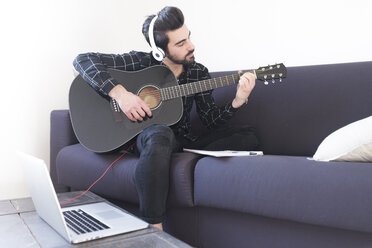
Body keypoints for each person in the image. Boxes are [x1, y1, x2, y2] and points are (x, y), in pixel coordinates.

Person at [73, 6, 259, 231]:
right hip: (146, 137)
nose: (191, 46)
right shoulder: (140, 62)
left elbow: (210, 119)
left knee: (249, 136)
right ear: (160, 50)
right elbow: (82, 60)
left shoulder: (197, 72)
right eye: (180, 44)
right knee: (159, 133)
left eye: (188, 37)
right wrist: (121, 95)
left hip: (181, 141)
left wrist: (238, 100)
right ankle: (154, 229)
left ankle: (185, 152)